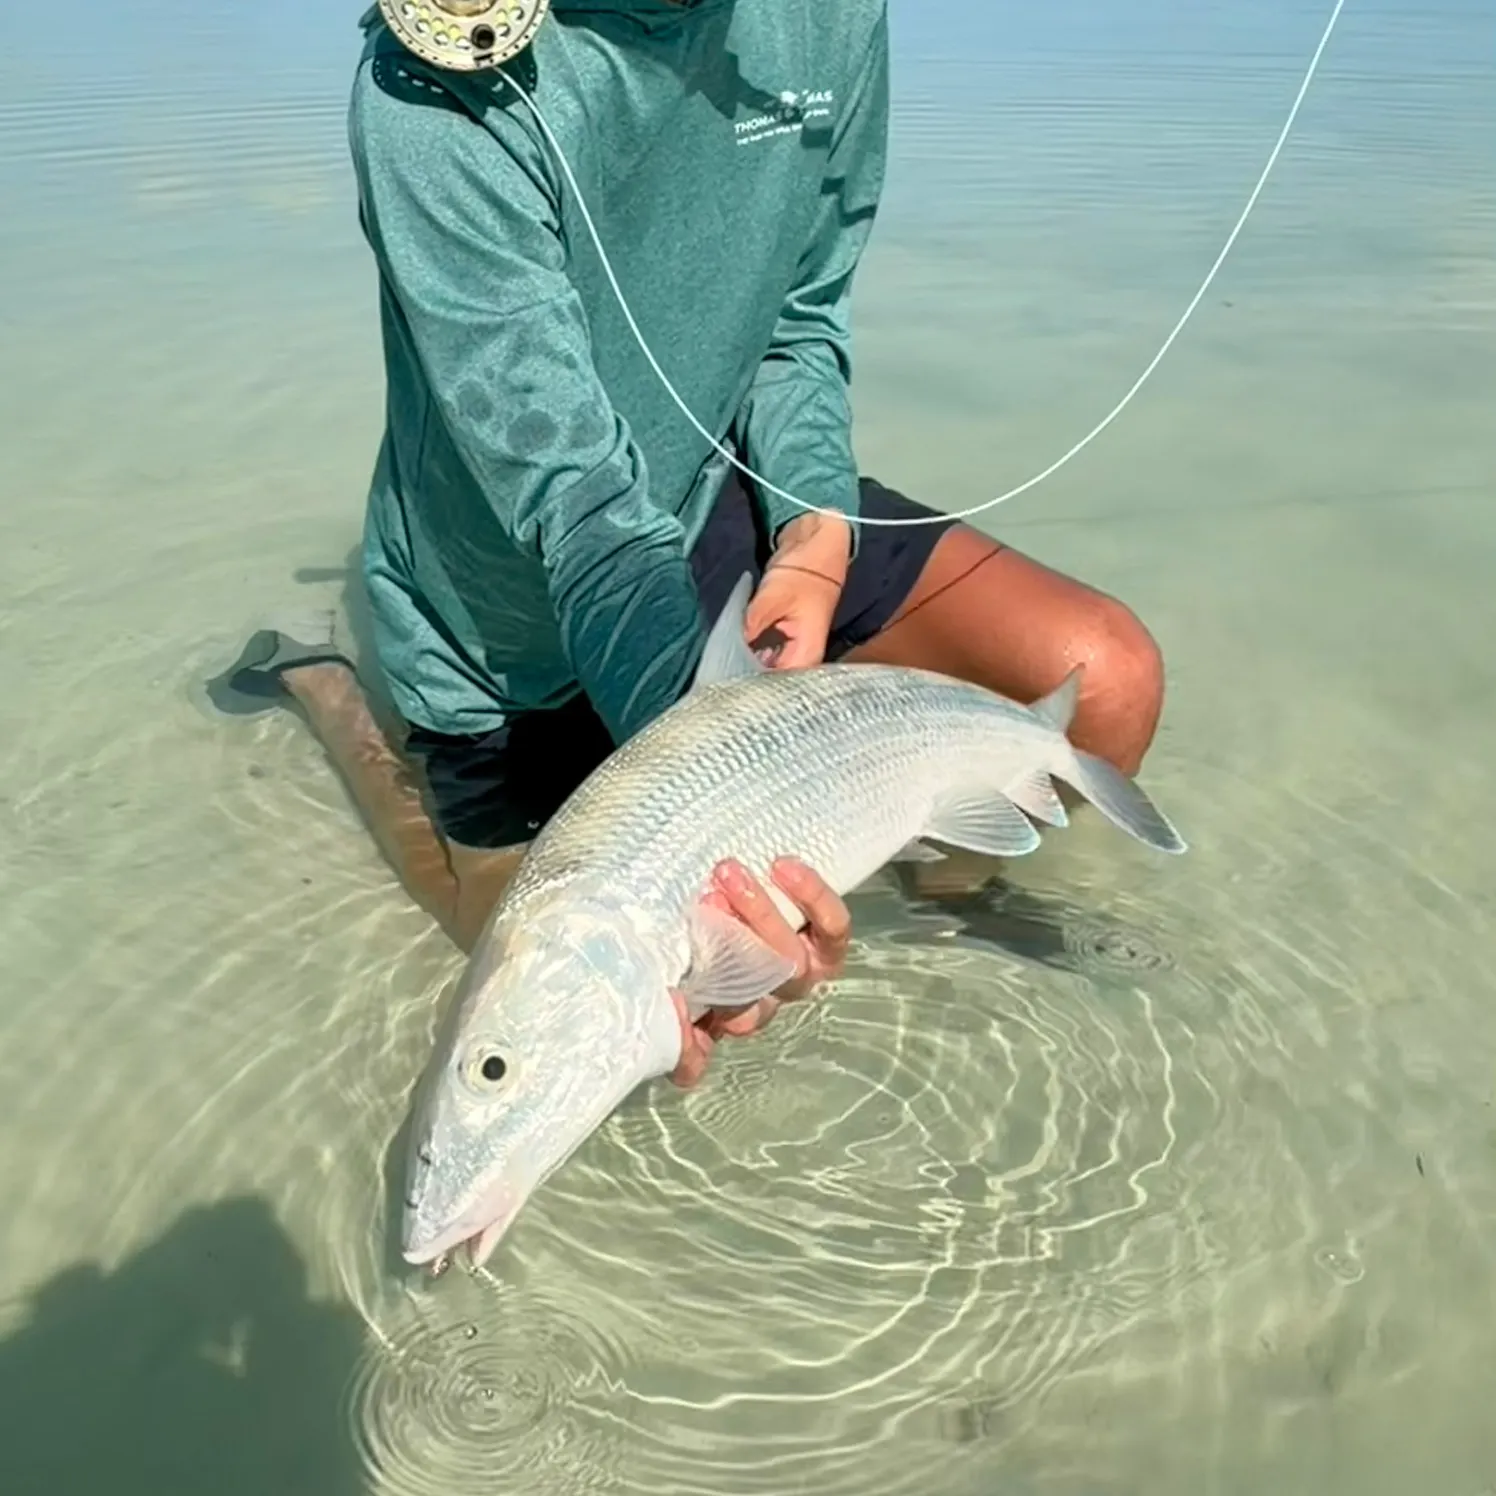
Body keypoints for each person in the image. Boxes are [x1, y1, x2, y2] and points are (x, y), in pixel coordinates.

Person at [208, 0, 1166, 1088]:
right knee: (527, 974)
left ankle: (937, 907)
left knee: (1103, 678)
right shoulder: (428, 95)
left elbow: (801, 315)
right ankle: (327, 683)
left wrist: (811, 537)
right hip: (509, 606)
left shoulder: (833, 15)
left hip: (722, 496)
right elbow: (576, 499)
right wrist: (719, 813)